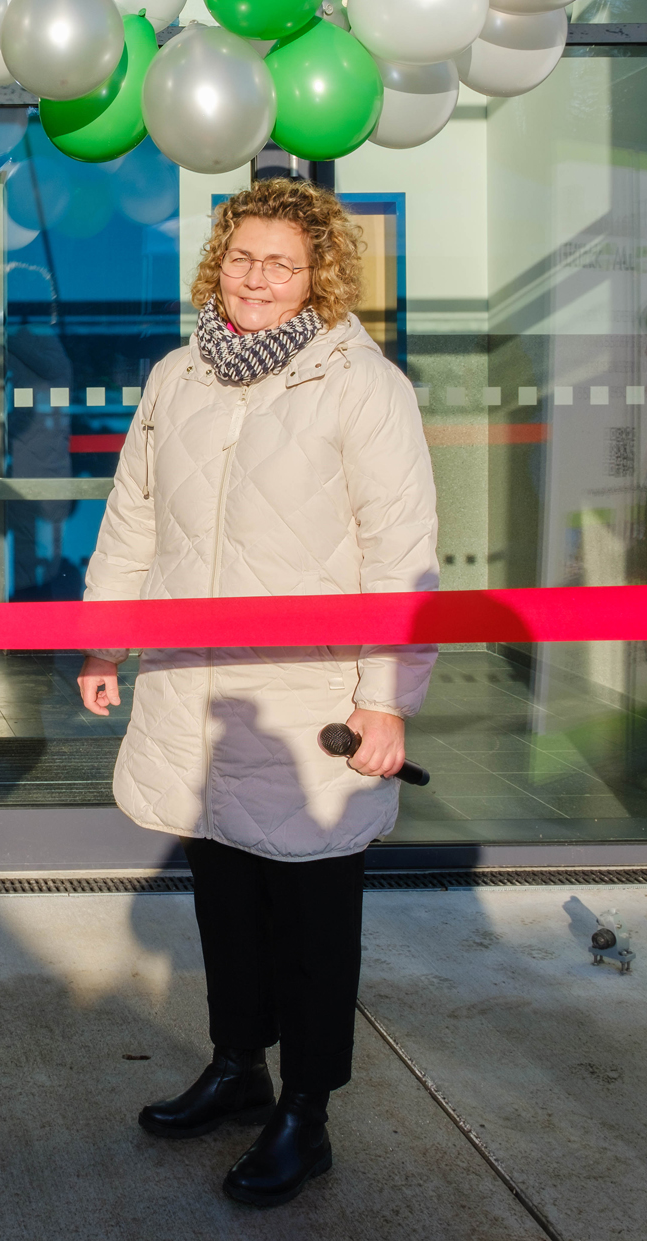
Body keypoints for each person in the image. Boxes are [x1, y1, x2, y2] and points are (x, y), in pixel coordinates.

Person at [76, 178, 437, 1210]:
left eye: (281, 262)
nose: (256, 279)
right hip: (192, 687)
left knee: (313, 913)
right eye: (241, 256)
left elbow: (400, 551)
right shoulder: (176, 376)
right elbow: (132, 522)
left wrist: (385, 695)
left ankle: (305, 1115)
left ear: (318, 272)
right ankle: (239, 1070)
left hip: (305, 697)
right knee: (224, 892)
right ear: (216, 260)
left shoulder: (362, 387)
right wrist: (103, 642)